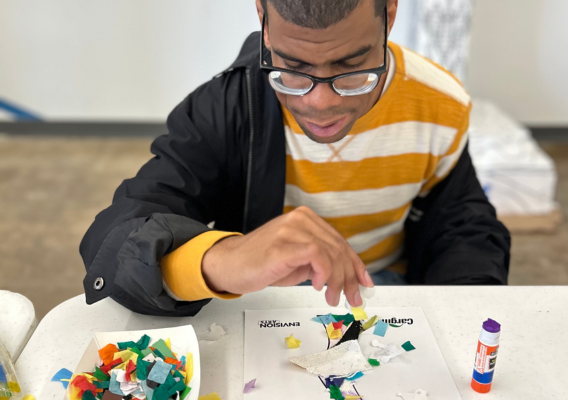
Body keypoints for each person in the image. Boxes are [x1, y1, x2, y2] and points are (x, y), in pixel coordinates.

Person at [80, 0, 510, 317]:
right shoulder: (228, 106)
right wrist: (226, 260)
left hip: (387, 291)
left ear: (390, 15)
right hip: (262, 299)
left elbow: (462, 220)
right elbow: (115, 239)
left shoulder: (442, 103)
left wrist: (462, 309)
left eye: (352, 66)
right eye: (292, 67)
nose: (321, 104)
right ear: (264, 22)